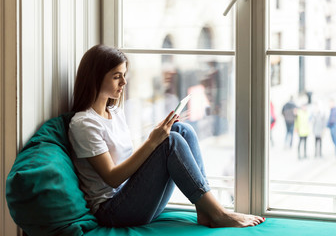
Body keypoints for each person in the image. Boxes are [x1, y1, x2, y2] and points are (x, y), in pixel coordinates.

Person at [68, 44, 265, 228]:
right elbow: (112, 178)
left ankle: (204, 210)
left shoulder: (115, 112)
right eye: (116, 76)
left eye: (124, 75)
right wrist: (153, 142)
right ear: (96, 77)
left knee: (181, 131)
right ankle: (218, 213)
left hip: (132, 194)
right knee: (170, 141)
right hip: (112, 210)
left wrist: (156, 135)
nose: (124, 82)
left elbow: (126, 157)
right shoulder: (84, 123)